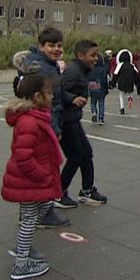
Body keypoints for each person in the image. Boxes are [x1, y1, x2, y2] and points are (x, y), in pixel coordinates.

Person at [2, 74, 62, 280]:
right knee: (29, 219)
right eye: (49, 93)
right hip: (30, 180)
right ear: (37, 96)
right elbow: (23, 157)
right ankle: (20, 264)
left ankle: (22, 249)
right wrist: (43, 176)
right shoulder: (29, 121)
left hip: (32, 179)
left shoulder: (35, 116)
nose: (53, 96)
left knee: (40, 210)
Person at [13, 28, 71, 229]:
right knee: (45, 167)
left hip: (46, 120)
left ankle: (38, 210)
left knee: (45, 166)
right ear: (41, 46)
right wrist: (54, 128)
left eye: (59, 45)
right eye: (51, 45)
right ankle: (42, 212)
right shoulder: (40, 68)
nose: (57, 49)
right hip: (43, 122)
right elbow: (47, 102)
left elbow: (57, 95)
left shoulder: (48, 64)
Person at [57, 40, 108, 209]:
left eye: (96, 55)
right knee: (76, 156)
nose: (96, 59)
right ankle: (59, 193)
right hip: (66, 121)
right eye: (92, 55)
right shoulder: (73, 71)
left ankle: (86, 191)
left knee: (86, 153)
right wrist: (72, 98)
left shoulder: (80, 70)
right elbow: (57, 92)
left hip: (73, 119)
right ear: (80, 56)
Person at [112, 49, 140, 114]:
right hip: (130, 82)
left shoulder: (120, 65)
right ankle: (130, 98)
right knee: (129, 92)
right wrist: (138, 86)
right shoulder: (132, 65)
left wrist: (113, 84)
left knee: (121, 95)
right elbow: (137, 75)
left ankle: (122, 108)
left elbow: (115, 75)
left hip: (122, 82)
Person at [86, 48, 110, 125]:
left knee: (93, 102)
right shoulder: (103, 69)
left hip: (92, 87)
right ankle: (101, 118)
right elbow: (104, 80)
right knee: (101, 103)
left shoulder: (90, 68)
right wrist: (106, 89)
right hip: (100, 87)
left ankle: (94, 112)